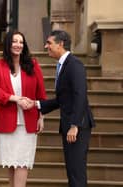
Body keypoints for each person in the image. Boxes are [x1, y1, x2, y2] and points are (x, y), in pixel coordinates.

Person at [34, 30, 95, 187]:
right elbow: (64, 99)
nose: (46, 46)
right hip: (70, 125)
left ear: (60, 44)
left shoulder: (74, 65)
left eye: (49, 43)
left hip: (77, 127)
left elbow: (80, 95)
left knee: (76, 172)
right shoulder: (63, 65)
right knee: (72, 171)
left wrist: (75, 125)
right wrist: (37, 105)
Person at [0, 30, 47, 187]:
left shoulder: (33, 65)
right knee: (11, 163)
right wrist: (16, 99)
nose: (18, 45)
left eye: (21, 42)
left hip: (28, 122)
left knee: (22, 162)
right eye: (15, 41)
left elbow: (41, 93)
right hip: (6, 121)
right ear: (8, 44)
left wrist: (41, 116)